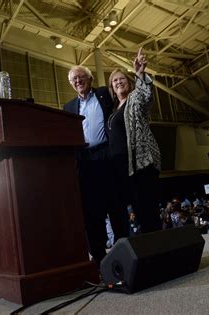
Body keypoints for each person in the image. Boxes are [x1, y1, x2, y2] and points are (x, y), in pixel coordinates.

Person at [63, 65, 127, 267]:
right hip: (85, 162)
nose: (78, 81)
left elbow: (122, 100)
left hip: (107, 155)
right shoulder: (68, 107)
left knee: (116, 206)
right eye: (74, 79)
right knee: (92, 212)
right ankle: (99, 258)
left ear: (90, 78)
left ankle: (124, 252)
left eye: (81, 77)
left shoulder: (104, 94)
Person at [106, 47, 162, 234]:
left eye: (121, 78)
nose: (118, 82)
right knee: (133, 211)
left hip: (140, 163)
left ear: (128, 83)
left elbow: (146, 96)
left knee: (147, 209)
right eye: (114, 81)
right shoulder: (113, 111)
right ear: (111, 88)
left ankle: (158, 250)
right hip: (120, 167)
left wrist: (140, 73)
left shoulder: (134, 99)